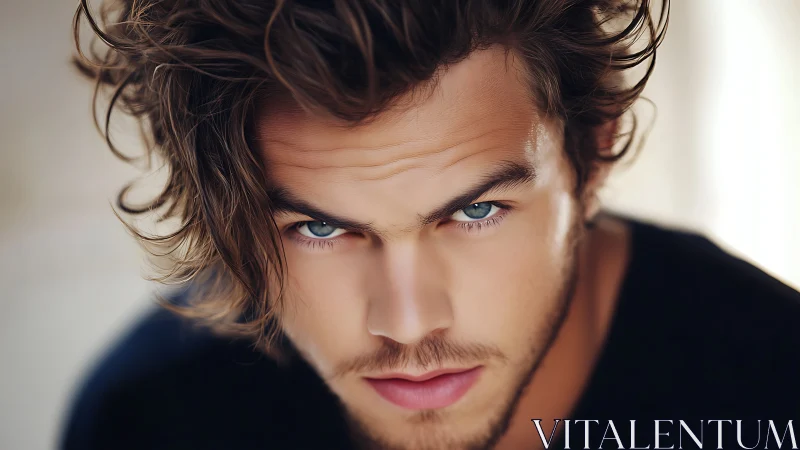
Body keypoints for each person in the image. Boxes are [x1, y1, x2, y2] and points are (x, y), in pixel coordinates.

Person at [61, 1, 800, 449]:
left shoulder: (772, 389)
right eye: (321, 230)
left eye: (475, 211)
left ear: (593, 154)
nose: (409, 325)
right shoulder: (153, 420)